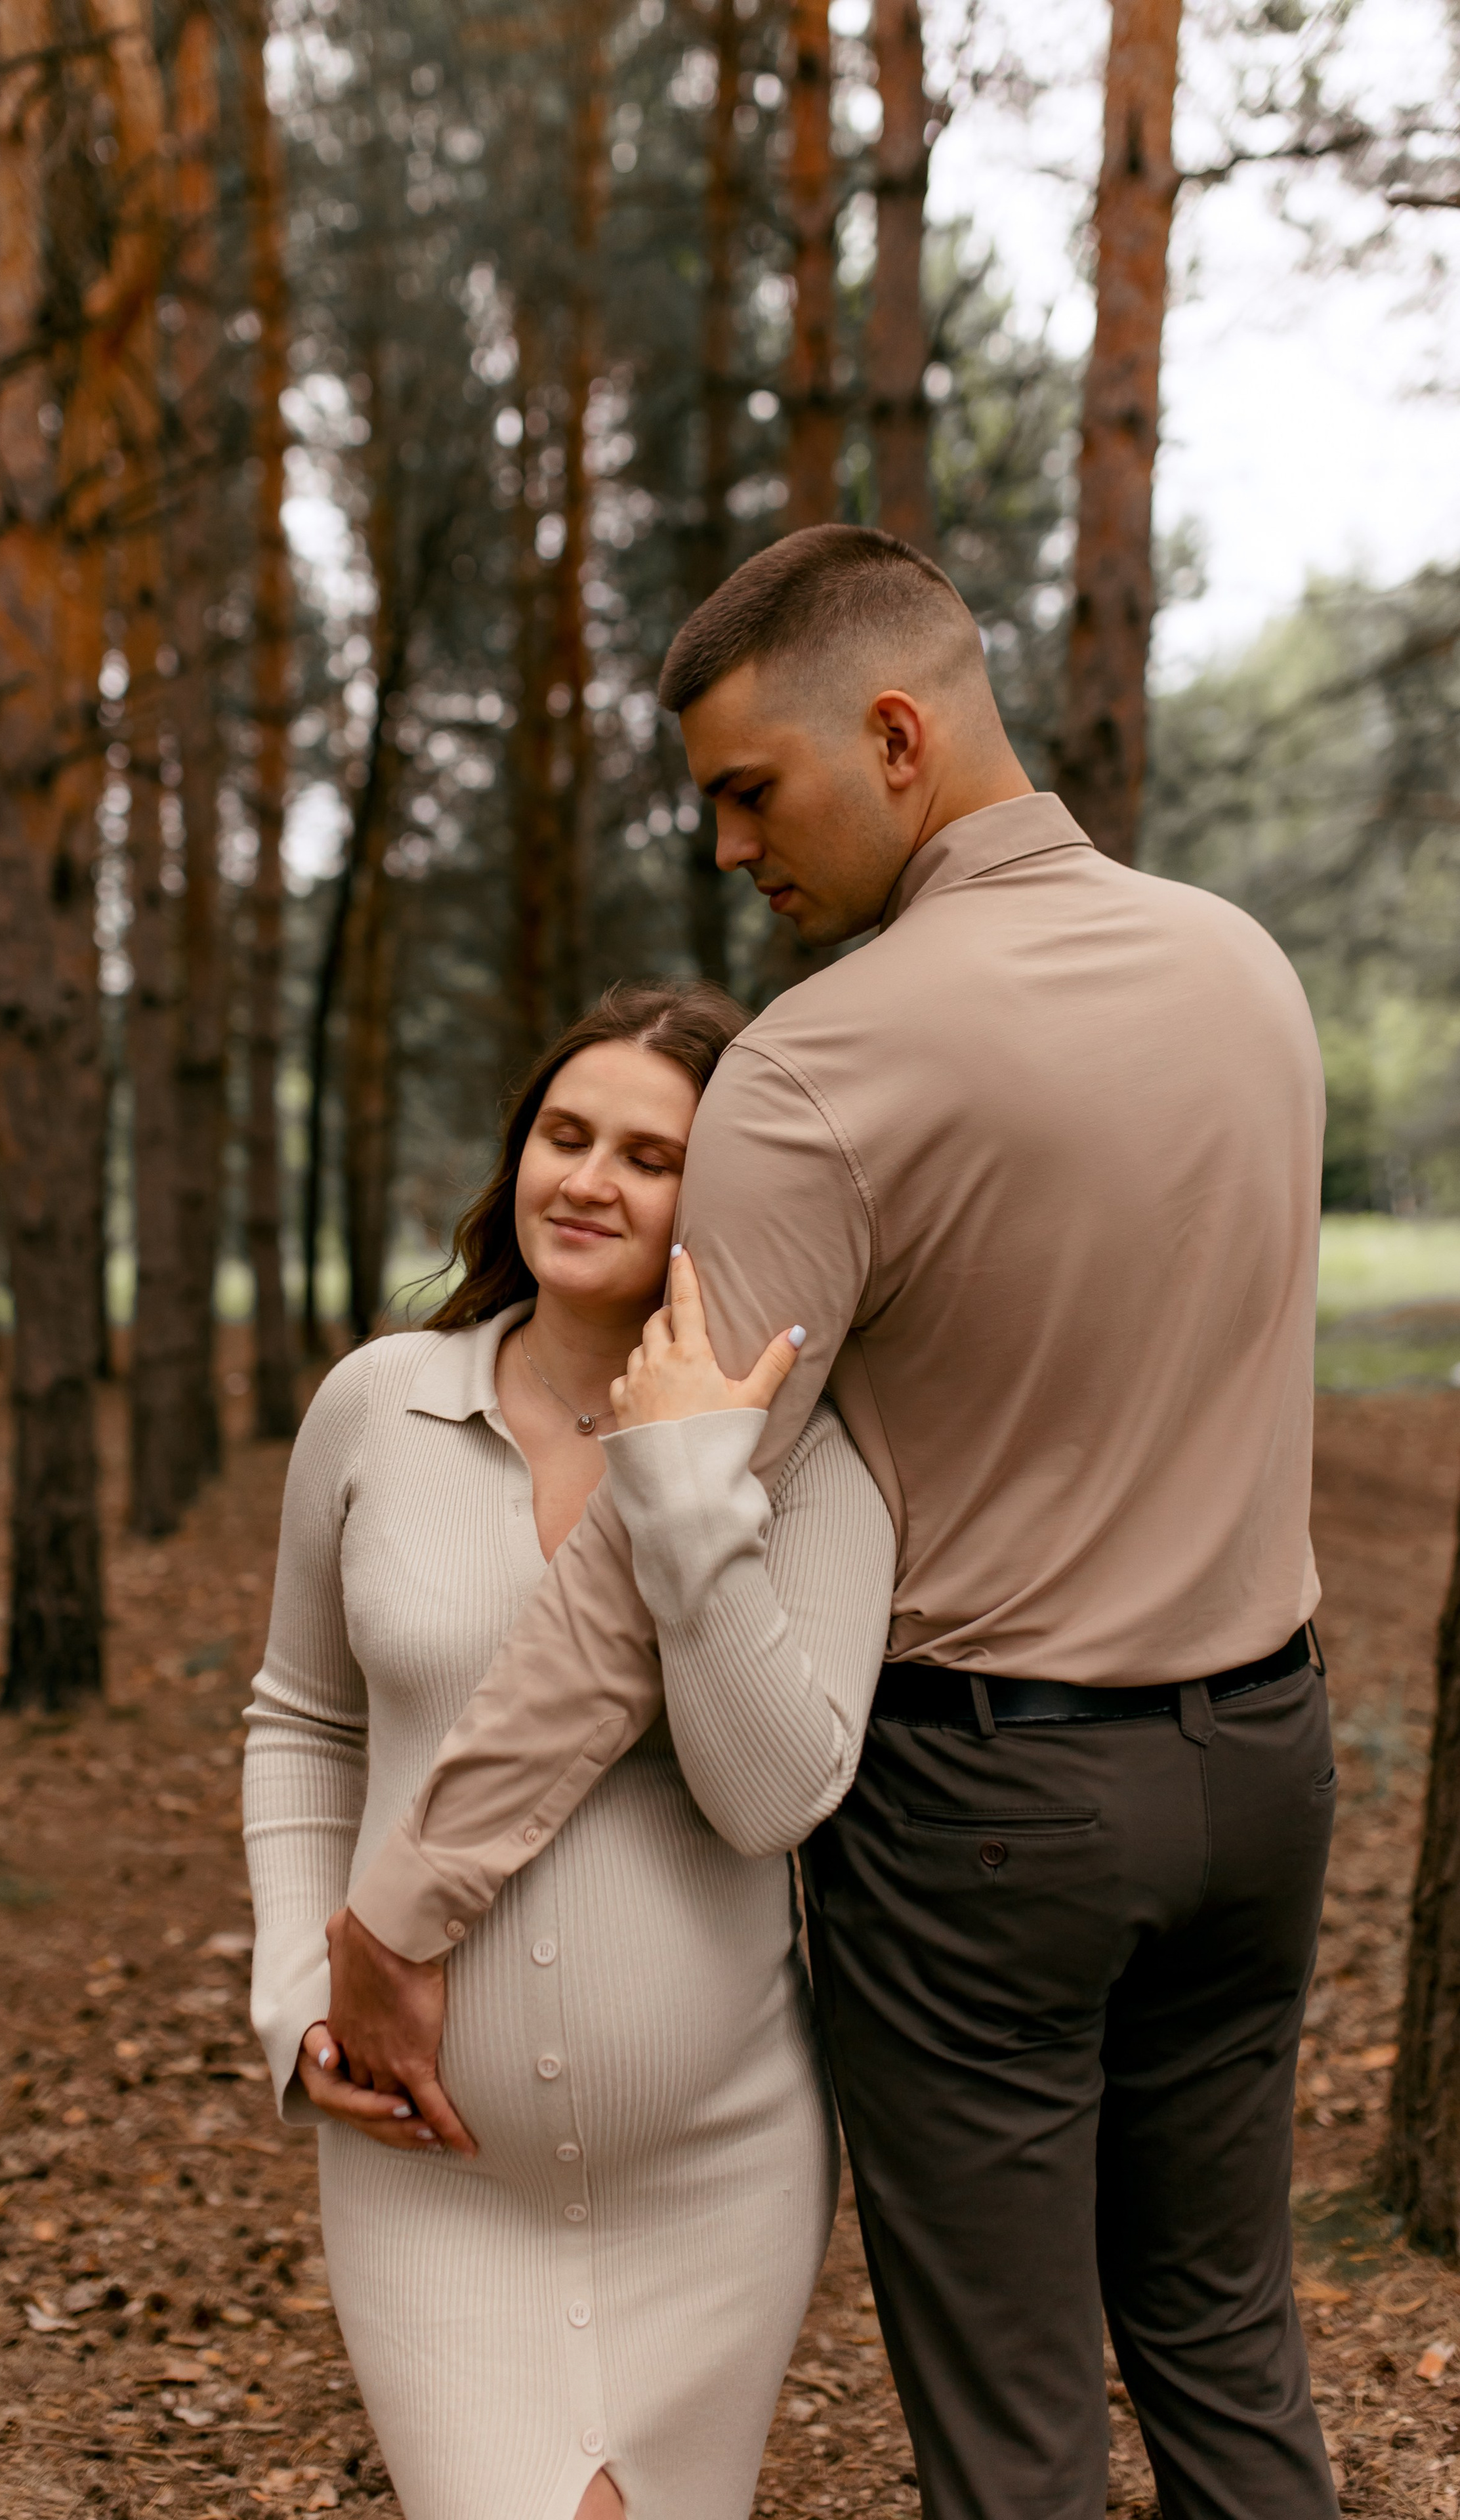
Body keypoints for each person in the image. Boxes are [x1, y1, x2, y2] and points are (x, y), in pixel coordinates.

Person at [330, 526, 1341, 2520]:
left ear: (893, 737)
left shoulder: (819, 1066)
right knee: (1230, 2358)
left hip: (993, 1823)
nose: (728, 849)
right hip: (1268, 1768)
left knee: (1014, 2436)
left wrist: (411, 1899)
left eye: (748, 790)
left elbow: (655, 1543)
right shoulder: (1243, 968)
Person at [241, 978, 896, 2520]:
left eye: (649, 1158)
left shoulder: (807, 1464)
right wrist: (294, 1996)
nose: (588, 1181)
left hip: (717, 2174)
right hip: (431, 2186)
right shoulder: (378, 1409)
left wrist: (681, 1485)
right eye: (564, 1135)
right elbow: (303, 1720)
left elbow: (770, 1796)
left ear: (717, 1202)